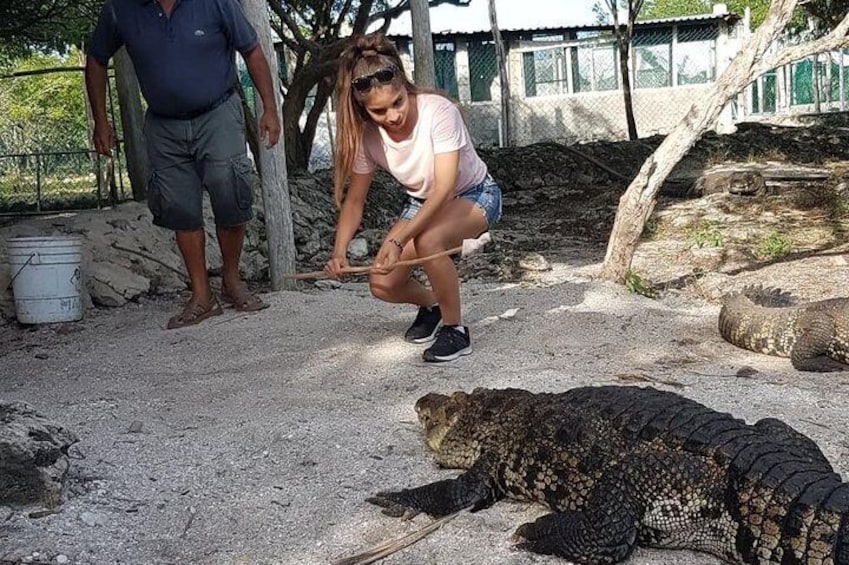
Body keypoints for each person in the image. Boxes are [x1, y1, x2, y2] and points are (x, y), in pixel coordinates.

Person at [84, 0, 280, 329]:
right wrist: (101, 121)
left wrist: (270, 108)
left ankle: (231, 280)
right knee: (179, 207)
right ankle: (202, 296)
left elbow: (253, 50)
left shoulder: (216, 2)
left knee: (230, 190)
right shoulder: (121, 9)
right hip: (163, 124)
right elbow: (96, 60)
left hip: (218, 112)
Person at [325, 33, 502, 363]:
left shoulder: (439, 111)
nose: (392, 116)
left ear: (405, 87)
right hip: (421, 204)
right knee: (382, 283)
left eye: (398, 103)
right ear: (363, 110)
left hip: (474, 195)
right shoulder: (366, 139)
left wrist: (398, 240)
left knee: (429, 241)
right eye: (378, 111)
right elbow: (354, 201)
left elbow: (445, 186)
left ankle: (456, 330)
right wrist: (338, 253)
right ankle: (434, 304)